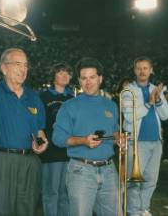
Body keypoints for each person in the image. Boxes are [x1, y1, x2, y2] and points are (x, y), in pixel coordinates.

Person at [0, 10, 48, 216]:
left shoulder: (34, 97)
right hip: (0, 160)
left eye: (25, 65)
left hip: (29, 162)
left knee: (26, 210)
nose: (23, 69)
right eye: (17, 64)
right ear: (4, 68)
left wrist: (42, 141)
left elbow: (39, 129)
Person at [52, 57, 124, 216]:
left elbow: (114, 130)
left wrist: (119, 137)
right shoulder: (69, 106)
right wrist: (83, 141)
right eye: (84, 78)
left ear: (100, 78)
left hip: (109, 170)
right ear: (79, 80)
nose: (88, 82)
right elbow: (57, 138)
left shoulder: (111, 105)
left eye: (92, 77)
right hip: (81, 171)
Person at [122, 56, 168, 216]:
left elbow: (165, 115)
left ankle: (143, 209)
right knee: (135, 181)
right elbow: (129, 117)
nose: (142, 71)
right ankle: (133, 211)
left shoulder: (156, 89)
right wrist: (149, 103)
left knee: (151, 181)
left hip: (156, 142)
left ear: (151, 70)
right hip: (136, 142)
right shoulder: (128, 90)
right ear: (134, 70)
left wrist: (157, 101)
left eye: (145, 68)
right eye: (139, 68)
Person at [39, 63, 73, 216]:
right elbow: (38, 124)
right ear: (54, 76)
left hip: (69, 151)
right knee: (51, 192)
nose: (64, 75)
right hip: (51, 151)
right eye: (60, 72)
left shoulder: (72, 99)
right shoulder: (43, 97)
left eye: (67, 73)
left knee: (66, 193)